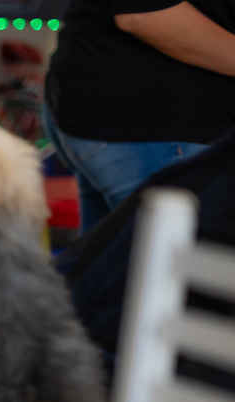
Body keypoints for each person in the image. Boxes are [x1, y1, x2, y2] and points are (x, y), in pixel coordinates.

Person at [44, 0, 235, 232]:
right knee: (171, 261)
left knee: (109, 261)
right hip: (161, 126)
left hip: (143, 121)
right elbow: (144, 13)